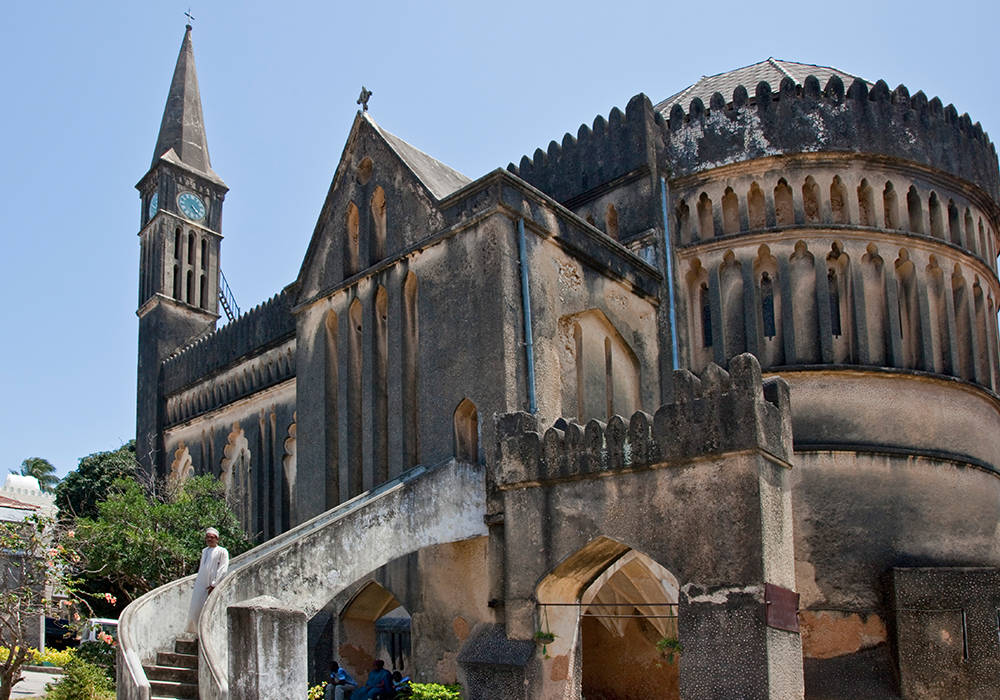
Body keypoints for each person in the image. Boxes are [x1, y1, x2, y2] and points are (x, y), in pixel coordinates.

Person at [185, 527, 229, 634]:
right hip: (201, 584)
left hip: (211, 584)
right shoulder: (204, 551)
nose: (210, 539)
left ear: (217, 539)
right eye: (208, 537)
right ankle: (197, 632)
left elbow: (223, 569)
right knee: (196, 608)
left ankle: (208, 632)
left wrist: (214, 584)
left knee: (209, 609)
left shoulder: (222, 551)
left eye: (212, 537)